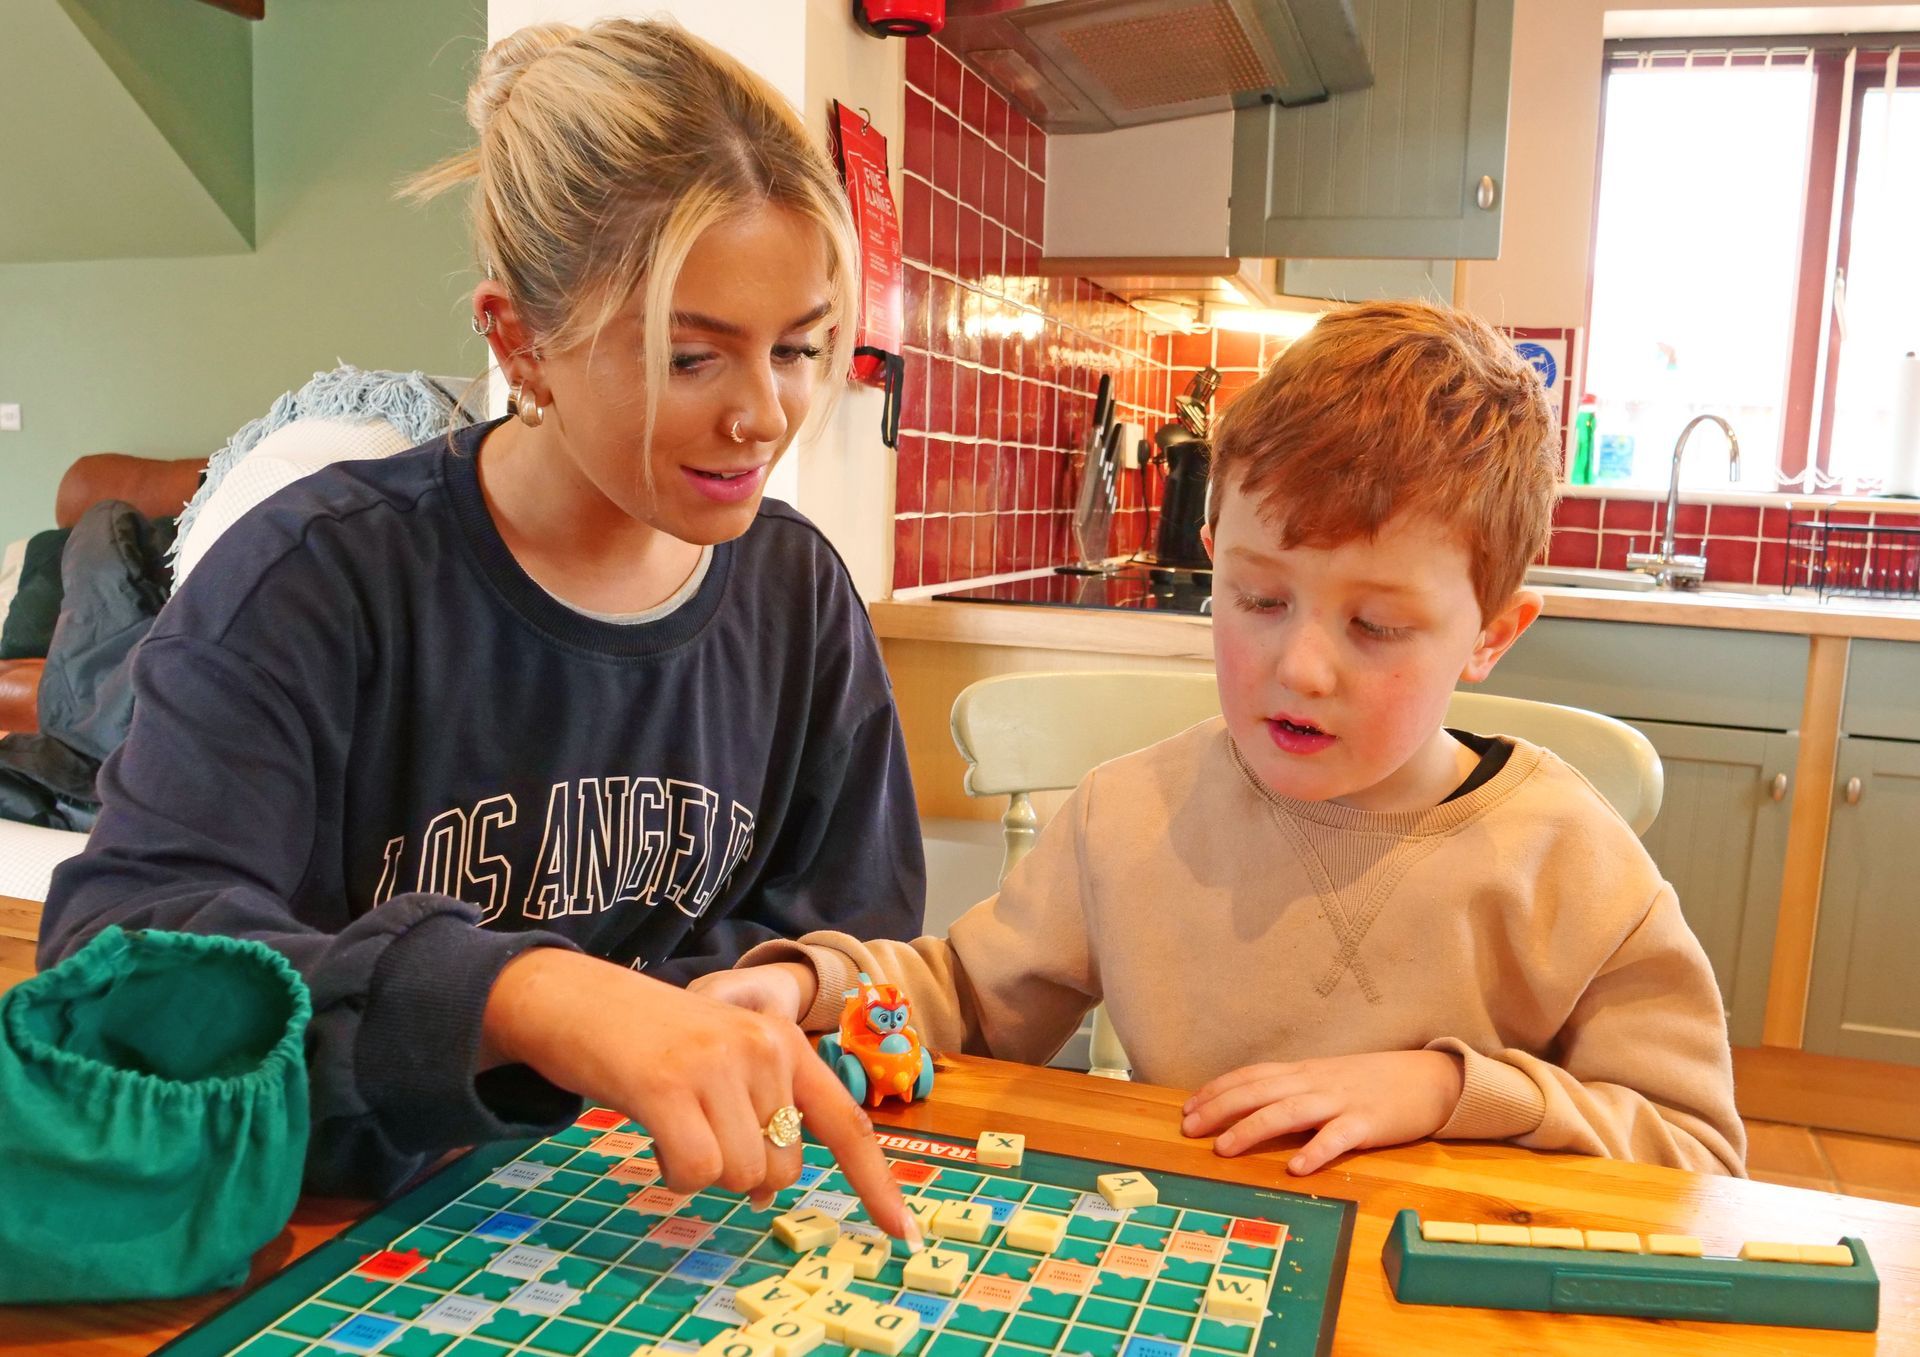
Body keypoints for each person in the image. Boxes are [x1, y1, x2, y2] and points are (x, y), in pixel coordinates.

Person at [38, 18, 924, 1235]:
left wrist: (784, 979)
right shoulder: (313, 577)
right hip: (333, 1230)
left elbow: (857, 916)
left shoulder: (799, 595)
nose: (763, 414)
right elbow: (114, 969)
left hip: (660, 1221)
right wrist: (527, 994)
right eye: (691, 356)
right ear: (519, 341)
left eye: (801, 348)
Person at [695, 301, 1747, 1179]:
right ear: (1212, 565)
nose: (1301, 667)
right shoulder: (1124, 816)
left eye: (1376, 626)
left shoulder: (1573, 863)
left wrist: (1449, 1088)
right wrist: (806, 984)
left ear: (1492, 636)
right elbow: (965, 996)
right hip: (1187, 1270)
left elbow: (1696, 1156)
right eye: (1257, 599)